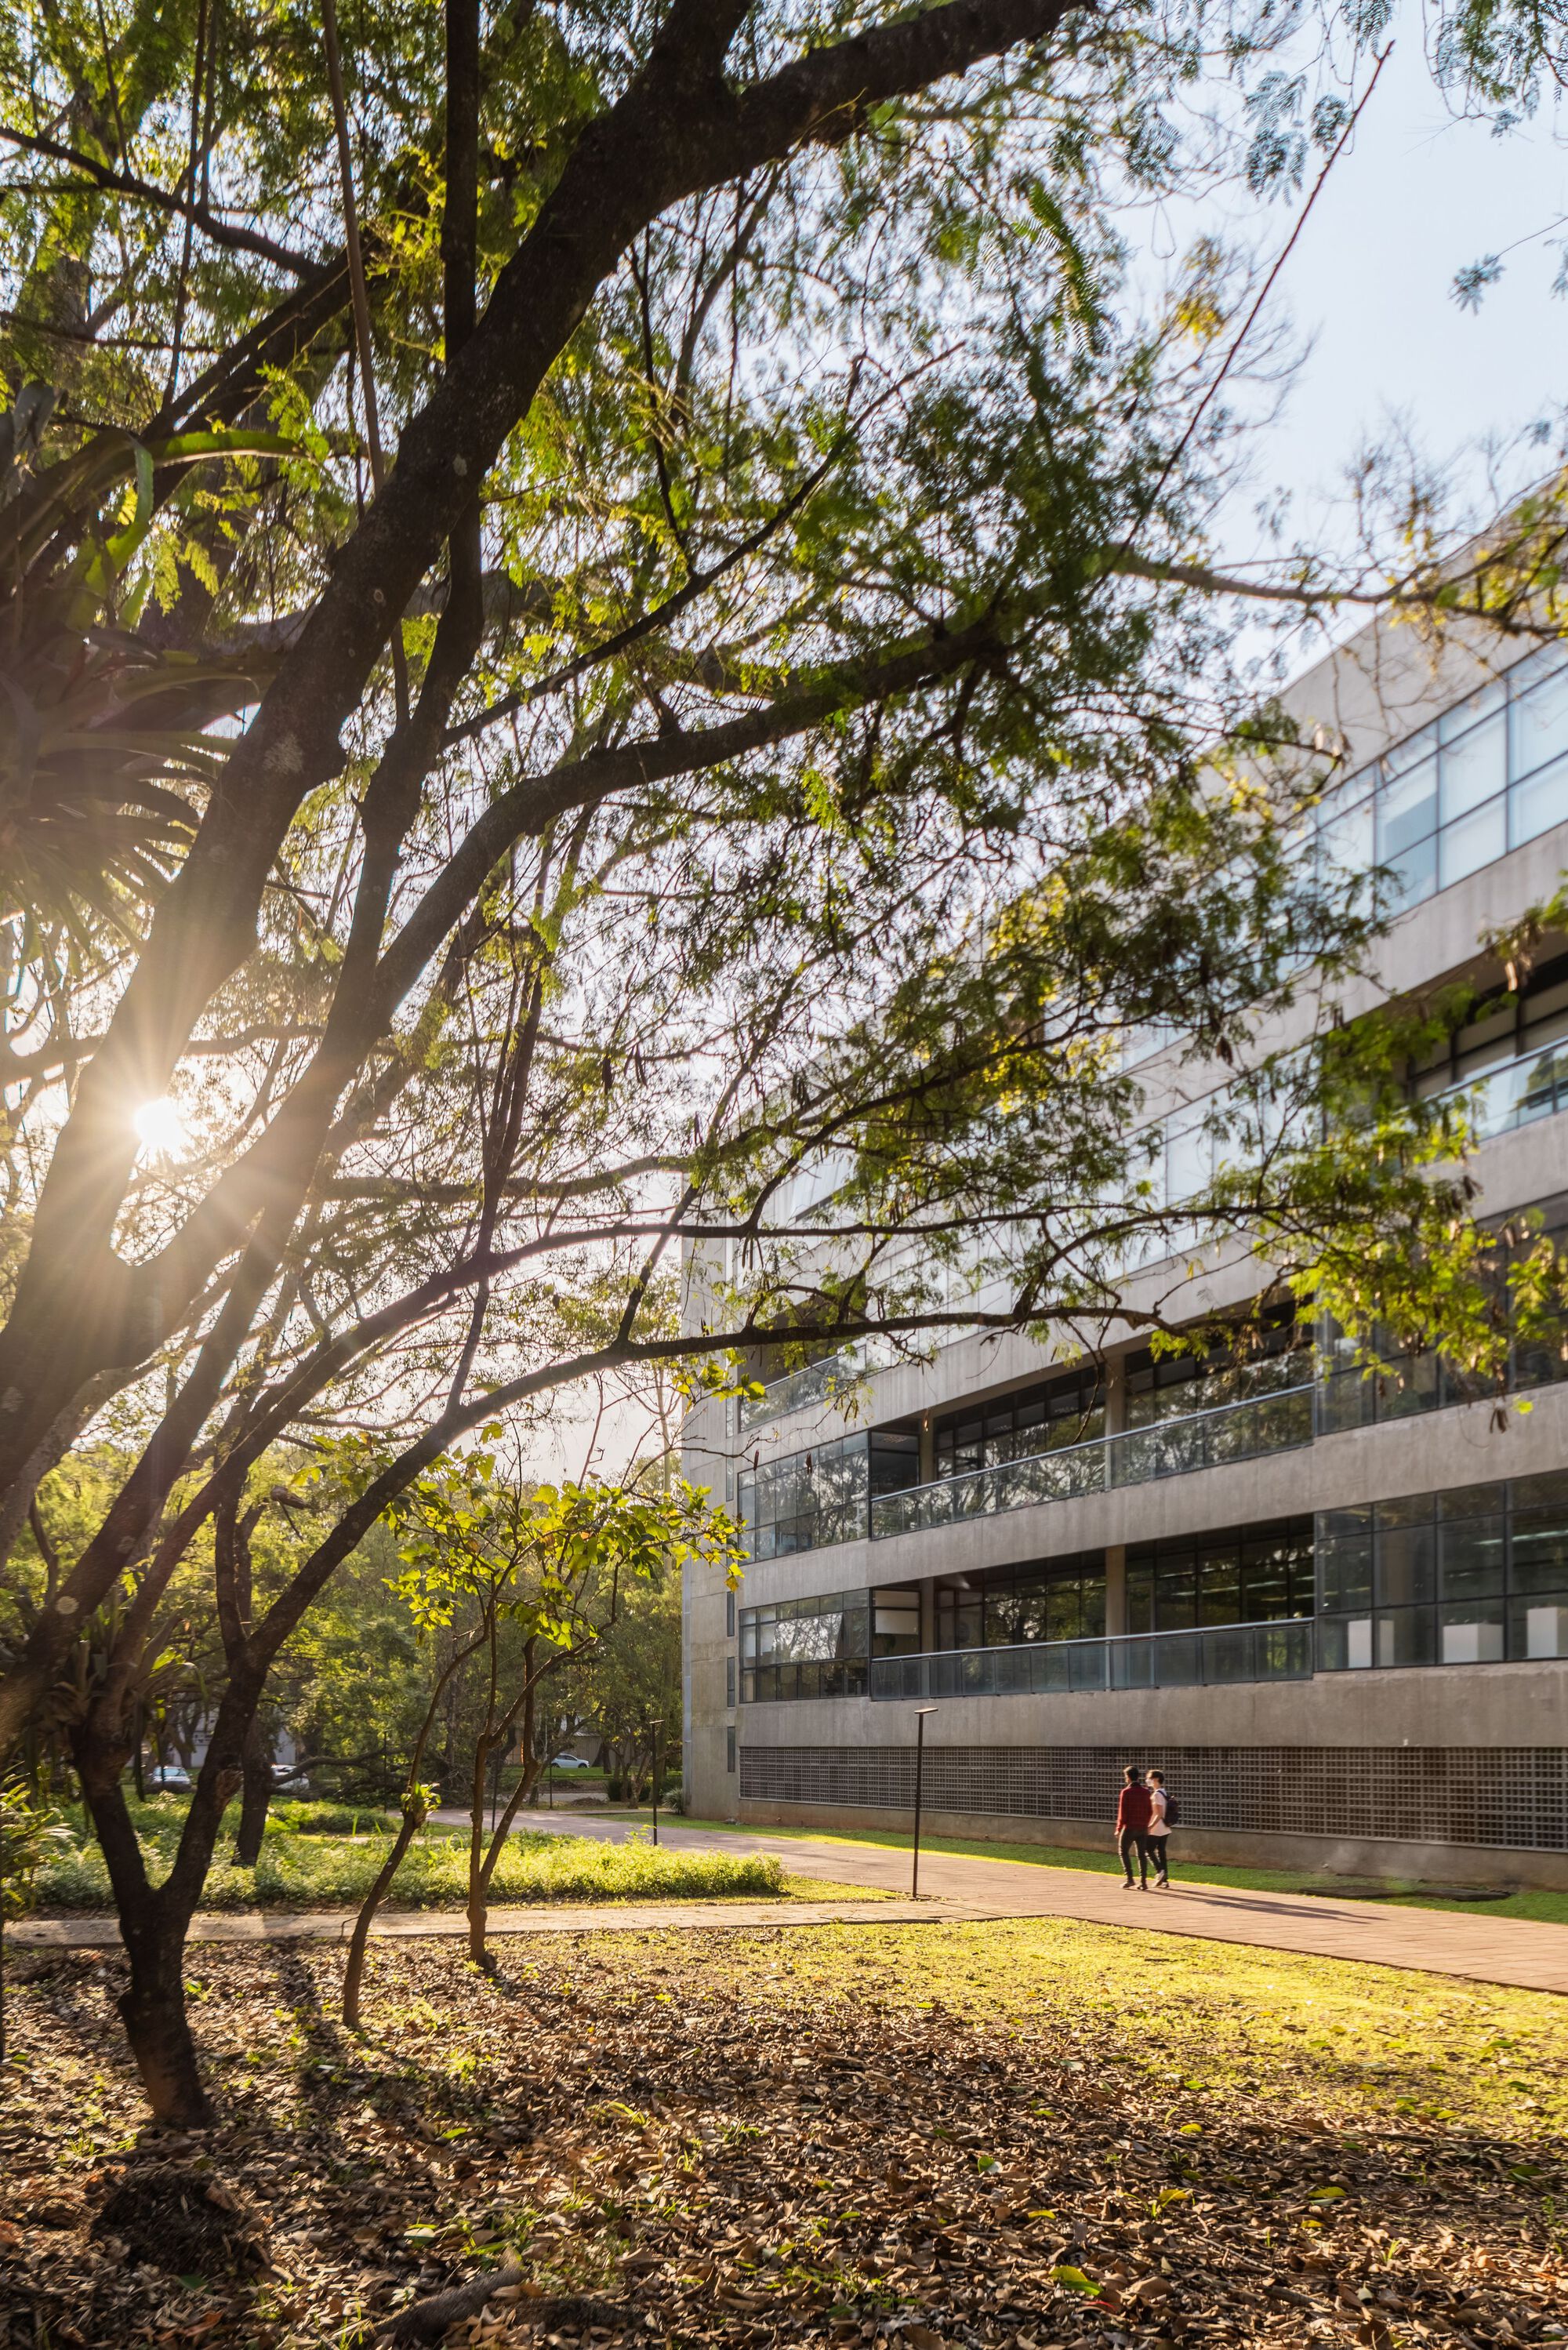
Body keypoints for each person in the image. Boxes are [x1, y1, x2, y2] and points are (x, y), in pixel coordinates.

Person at [1114, 1763, 1152, 1890]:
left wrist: (1119, 1828)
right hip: (1142, 1828)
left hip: (1130, 1827)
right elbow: (1150, 1811)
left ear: (1128, 1777)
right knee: (1141, 1855)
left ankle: (1130, 1879)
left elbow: (1122, 1812)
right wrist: (1146, 1825)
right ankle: (1143, 1882)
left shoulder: (1126, 1792)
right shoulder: (1146, 1792)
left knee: (1123, 1851)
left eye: (1126, 1776)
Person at [1145, 1768, 1172, 1888]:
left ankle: (1159, 1871)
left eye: (1150, 1778)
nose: (1148, 1780)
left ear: (1156, 1779)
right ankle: (1165, 1880)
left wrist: (1150, 1826)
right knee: (1161, 1853)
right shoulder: (1164, 1792)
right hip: (1165, 1828)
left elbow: (1159, 1814)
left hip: (1157, 1828)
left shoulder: (1156, 1794)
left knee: (1148, 1850)